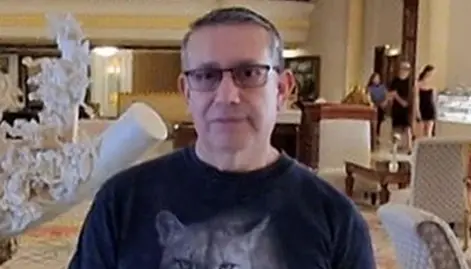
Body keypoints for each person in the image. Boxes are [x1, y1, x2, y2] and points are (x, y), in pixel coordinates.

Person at [68, 7, 375, 269]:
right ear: (187, 92)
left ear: (282, 89)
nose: (227, 96)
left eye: (249, 73)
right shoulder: (121, 201)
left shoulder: (334, 217)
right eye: (206, 76)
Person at [389, 61, 413, 152]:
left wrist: (397, 96)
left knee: (407, 128)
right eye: (402, 68)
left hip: (406, 108)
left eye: (406, 69)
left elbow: (407, 100)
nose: (404, 71)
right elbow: (390, 93)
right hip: (396, 108)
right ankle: (394, 146)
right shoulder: (394, 81)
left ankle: (409, 147)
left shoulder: (409, 83)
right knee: (395, 128)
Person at [367, 72, 391, 142]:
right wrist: (371, 104)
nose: (376, 80)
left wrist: (385, 102)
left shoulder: (382, 87)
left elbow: (387, 96)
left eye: (377, 78)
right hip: (374, 106)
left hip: (381, 106)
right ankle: (373, 136)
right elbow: (368, 97)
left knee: (379, 122)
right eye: (375, 78)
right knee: (373, 122)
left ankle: (377, 135)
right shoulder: (369, 88)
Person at [415, 65, 436, 137]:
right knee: (420, 132)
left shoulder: (432, 84)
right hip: (422, 108)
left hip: (430, 108)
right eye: (430, 73)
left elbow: (433, 99)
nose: (431, 75)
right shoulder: (418, 84)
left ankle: (428, 147)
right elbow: (416, 98)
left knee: (429, 132)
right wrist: (417, 111)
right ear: (426, 72)